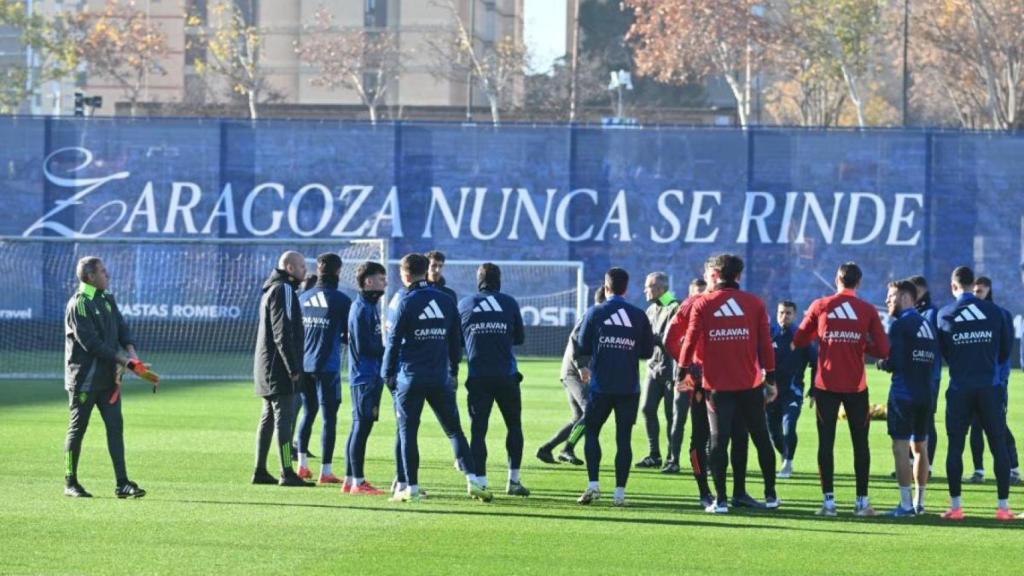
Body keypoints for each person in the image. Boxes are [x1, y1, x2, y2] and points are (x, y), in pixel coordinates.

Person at [383, 253, 491, 503]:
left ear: (405, 275)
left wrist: (387, 375)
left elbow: (393, 342)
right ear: (426, 270)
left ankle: (410, 487)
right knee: (455, 431)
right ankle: (473, 480)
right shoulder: (445, 300)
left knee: (408, 432)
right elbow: (455, 342)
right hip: (440, 377)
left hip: (410, 377)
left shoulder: (405, 302)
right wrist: (453, 370)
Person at [678, 254, 780, 514]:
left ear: (715, 274)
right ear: (738, 276)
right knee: (761, 438)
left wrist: (681, 373)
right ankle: (771, 496)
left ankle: (721, 500)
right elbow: (765, 345)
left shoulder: (703, 304)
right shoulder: (754, 303)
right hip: (749, 385)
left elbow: (689, 340)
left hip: (717, 387)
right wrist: (771, 377)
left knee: (718, 441)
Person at [793, 262, 889, 517]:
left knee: (826, 443)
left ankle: (829, 504)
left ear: (837, 279)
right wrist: (859, 344)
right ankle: (861, 503)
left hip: (826, 385)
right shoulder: (867, 310)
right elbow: (883, 350)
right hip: (857, 387)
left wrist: (822, 334)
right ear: (859, 283)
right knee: (861, 444)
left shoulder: (820, 305)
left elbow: (799, 339)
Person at [63, 256, 155, 498]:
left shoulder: (107, 298)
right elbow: (92, 344)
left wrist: (133, 355)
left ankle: (122, 483)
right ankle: (70, 482)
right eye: (104, 272)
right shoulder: (79, 304)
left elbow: (122, 329)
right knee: (77, 430)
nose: (109, 275)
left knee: (115, 428)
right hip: (84, 380)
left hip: (109, 380)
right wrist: (126, 362)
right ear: (91, 277)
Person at [937, 267, 1015, 520]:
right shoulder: (997, 312)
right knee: (998, 446)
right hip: (990, 387)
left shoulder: (945, 314)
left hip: (960, 387)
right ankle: (1003, 509)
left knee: (955, 447)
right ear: (974, 284)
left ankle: (956, 507)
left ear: (953, 286)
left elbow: (945, 352)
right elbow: (1004, 353)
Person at [575, 268, 654, 506]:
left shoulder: (595, 312)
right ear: (626, 288)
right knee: (624, 439)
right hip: (628, 387)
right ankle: (619, 494)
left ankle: (593, 485)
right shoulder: (638, 315)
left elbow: (582, 345)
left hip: (600, 385)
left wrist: (586, 366)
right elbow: (647, 351)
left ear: (606, 287)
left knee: (592, 432)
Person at [459, 263, 529, 496]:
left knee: (478, 431)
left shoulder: (465, 304)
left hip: (478, 376)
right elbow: (519, 338)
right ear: (499, 280)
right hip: (506, 376)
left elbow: (457, 340)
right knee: (514, 426)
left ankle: (481, 481)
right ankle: (514, 481)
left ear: (478, 280)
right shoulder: (508, 303)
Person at [876, 280, 936, 516]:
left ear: (905, 298)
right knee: (921, 446)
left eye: (891, 296)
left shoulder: (901, 325)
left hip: (904, 394)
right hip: (925, 394)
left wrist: (883, 363)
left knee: (900, 447)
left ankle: (904, 504)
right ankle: (919, 502)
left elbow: (897, 362)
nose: (887, 301)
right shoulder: (927, 324)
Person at [253, 251, 312, 487]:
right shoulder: (284, 290)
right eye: (301, 266)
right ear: (289, 267)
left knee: (268, 418)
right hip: (280, 368)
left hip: (266, 366)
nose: (305, 271)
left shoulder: (271, 289)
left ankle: (259, 470)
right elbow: (282, 330)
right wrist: (293, 366)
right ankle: (287, 470)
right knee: (284, 422)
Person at [295, 255, 351, 484]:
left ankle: (301, 466)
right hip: (327, 366)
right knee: (329, 419)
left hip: (303, 365)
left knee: (308, 413)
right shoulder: (341, 300)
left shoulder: (303, 298)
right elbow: (349, 336)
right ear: (338, 272)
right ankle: (326, 472)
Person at [536, 287, 606, 466]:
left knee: (578, 418)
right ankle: (567, 449)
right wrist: (581, 366)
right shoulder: (592, 315)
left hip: (575, 371)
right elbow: (575, 339)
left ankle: (546, 449)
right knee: (590, 410)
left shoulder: (598, 316)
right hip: (574, 372)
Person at [966, 277, 1021, 486]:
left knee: (998, 425)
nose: (977, 295)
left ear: (988, 290)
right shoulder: (970, 316)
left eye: (980, 291)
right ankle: (978, 470)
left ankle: (1014, 469)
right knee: (976, 426)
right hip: (974, 382)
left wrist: (1001, 378)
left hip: (996, 382)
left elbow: (1005, 351)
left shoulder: (1001, 315)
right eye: (974, 291)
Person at [665, 278, 715, 507]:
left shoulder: (733, 303)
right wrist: (687, 367)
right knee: (683, 421)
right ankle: (674, 460)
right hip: (690, 378)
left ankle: (728, 489)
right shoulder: (685, 304)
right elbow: (669, 339)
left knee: (721, 436)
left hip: (716, 379)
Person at [343, 261, 389, 495]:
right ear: (368, 281)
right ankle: (358, 482)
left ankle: (350, 479)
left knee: (358, 427)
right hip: (365, 377)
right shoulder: (361, 308)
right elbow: (364, 346)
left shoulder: (367, 306)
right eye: (381, 279)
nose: (386, 283)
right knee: (362, 427)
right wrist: (390, 348)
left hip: (367, 375)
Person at [637, 272, 684, 473]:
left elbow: (671, 340)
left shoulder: (675, 307)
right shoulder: (651, 309)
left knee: (671, 415)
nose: (645, 290)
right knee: (647, 409)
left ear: (660, 288)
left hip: (671, 369)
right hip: (653, 367)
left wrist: (648, 339)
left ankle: (673, 459)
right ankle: (654, 455)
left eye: (648, 286)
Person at [767, 301, 817, 479]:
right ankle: (784, 454)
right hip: (770, 392)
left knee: (789, 427)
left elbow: (816, 363)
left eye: (788, 313)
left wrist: (813, 389)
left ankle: (788, 462)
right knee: (773, 433)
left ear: (794, 315)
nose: (784, 316)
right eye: (781, 312)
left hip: (793, 391)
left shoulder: (802, 337)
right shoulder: (769, 334)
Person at [910, 275, 942, 474]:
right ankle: (911, 463)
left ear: (921, 290)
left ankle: (927, 465)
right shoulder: (912, 312)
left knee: (927, 419)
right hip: (911, 375)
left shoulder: (932, 313)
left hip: (929, 375)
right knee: (910, 418)